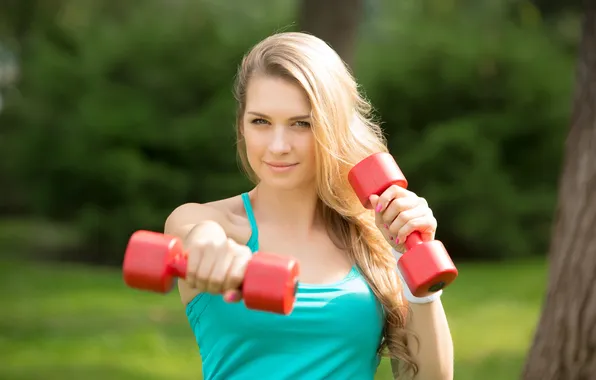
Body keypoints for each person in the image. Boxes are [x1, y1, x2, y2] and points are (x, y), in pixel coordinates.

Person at [164, 32, 454, 380]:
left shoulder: (373, 240)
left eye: (301, 124)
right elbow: (197, 236)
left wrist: (412, 262)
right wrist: (210, 248)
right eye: (261, 122)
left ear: (334, 127)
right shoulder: (209, 222)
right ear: (241, 125)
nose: (278, 146)